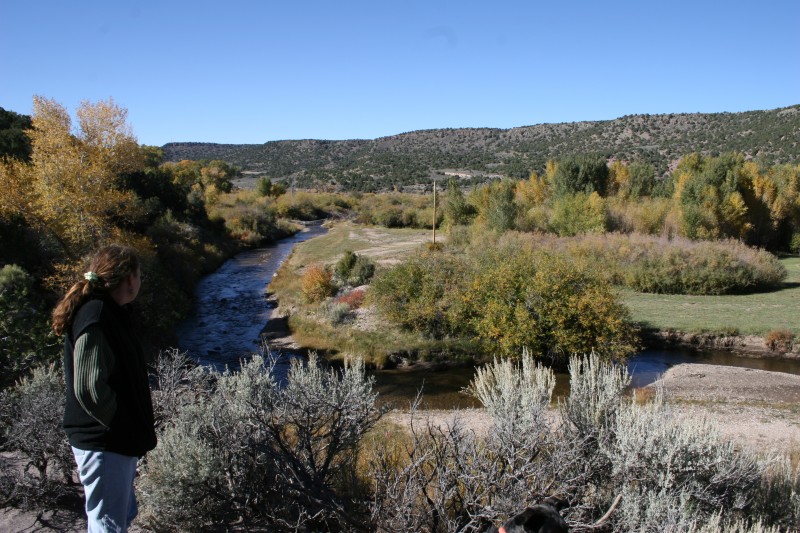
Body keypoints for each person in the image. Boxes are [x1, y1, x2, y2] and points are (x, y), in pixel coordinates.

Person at [52, 245, 156, 533]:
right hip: (105, 441)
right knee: (107, 523)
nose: (140, 281)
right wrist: (122, 425)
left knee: (118, 515)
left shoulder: (110, 311)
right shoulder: (97, 315)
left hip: (109, 441)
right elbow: (89, 388)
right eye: (139, 275)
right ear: (129, 280)